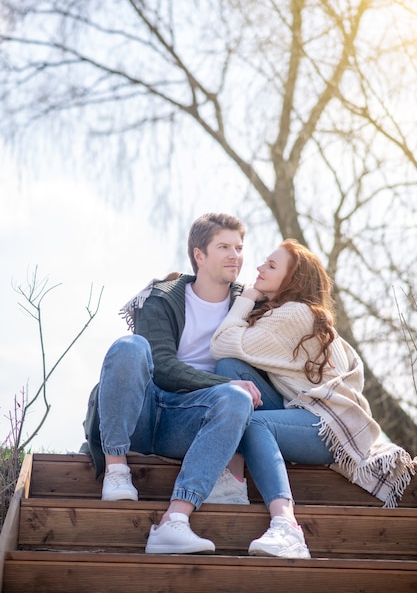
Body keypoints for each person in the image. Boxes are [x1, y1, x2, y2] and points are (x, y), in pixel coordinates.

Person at [83, 212, 281, 555]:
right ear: (199, 255)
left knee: (235, 398)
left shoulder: (248, 306)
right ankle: (116, 470)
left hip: (189, 422)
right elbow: (161, 367)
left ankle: (175, 521)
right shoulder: (161, 297)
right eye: (224, 246)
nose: (235, 255)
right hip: (141, 415)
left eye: (239, 246)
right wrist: (221, 381)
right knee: (130, 347)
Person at [211, 238, 416, 558]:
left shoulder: (293, 314)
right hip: (302, 410)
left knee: (255, 423)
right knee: (231, 370)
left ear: (293, 280)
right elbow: (228, 356)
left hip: (327, 424)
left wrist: (246, 299)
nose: (259, 268)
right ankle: (234, 478)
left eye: (271, 265)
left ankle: (287, 526)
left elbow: (222, 342)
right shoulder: (296, 314)